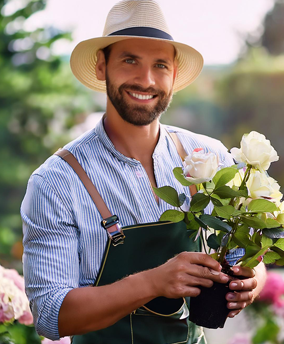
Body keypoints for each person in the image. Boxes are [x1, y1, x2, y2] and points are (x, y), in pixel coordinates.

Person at [21, 1, 266, 342]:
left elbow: (244, 256)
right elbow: (50, 315)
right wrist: (153, 282)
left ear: (174, 75)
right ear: (101, 66)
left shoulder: (210, 157)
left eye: (160, 65)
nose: (146, 80)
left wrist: (251, 282)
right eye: (130, 60)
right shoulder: (56, 182)